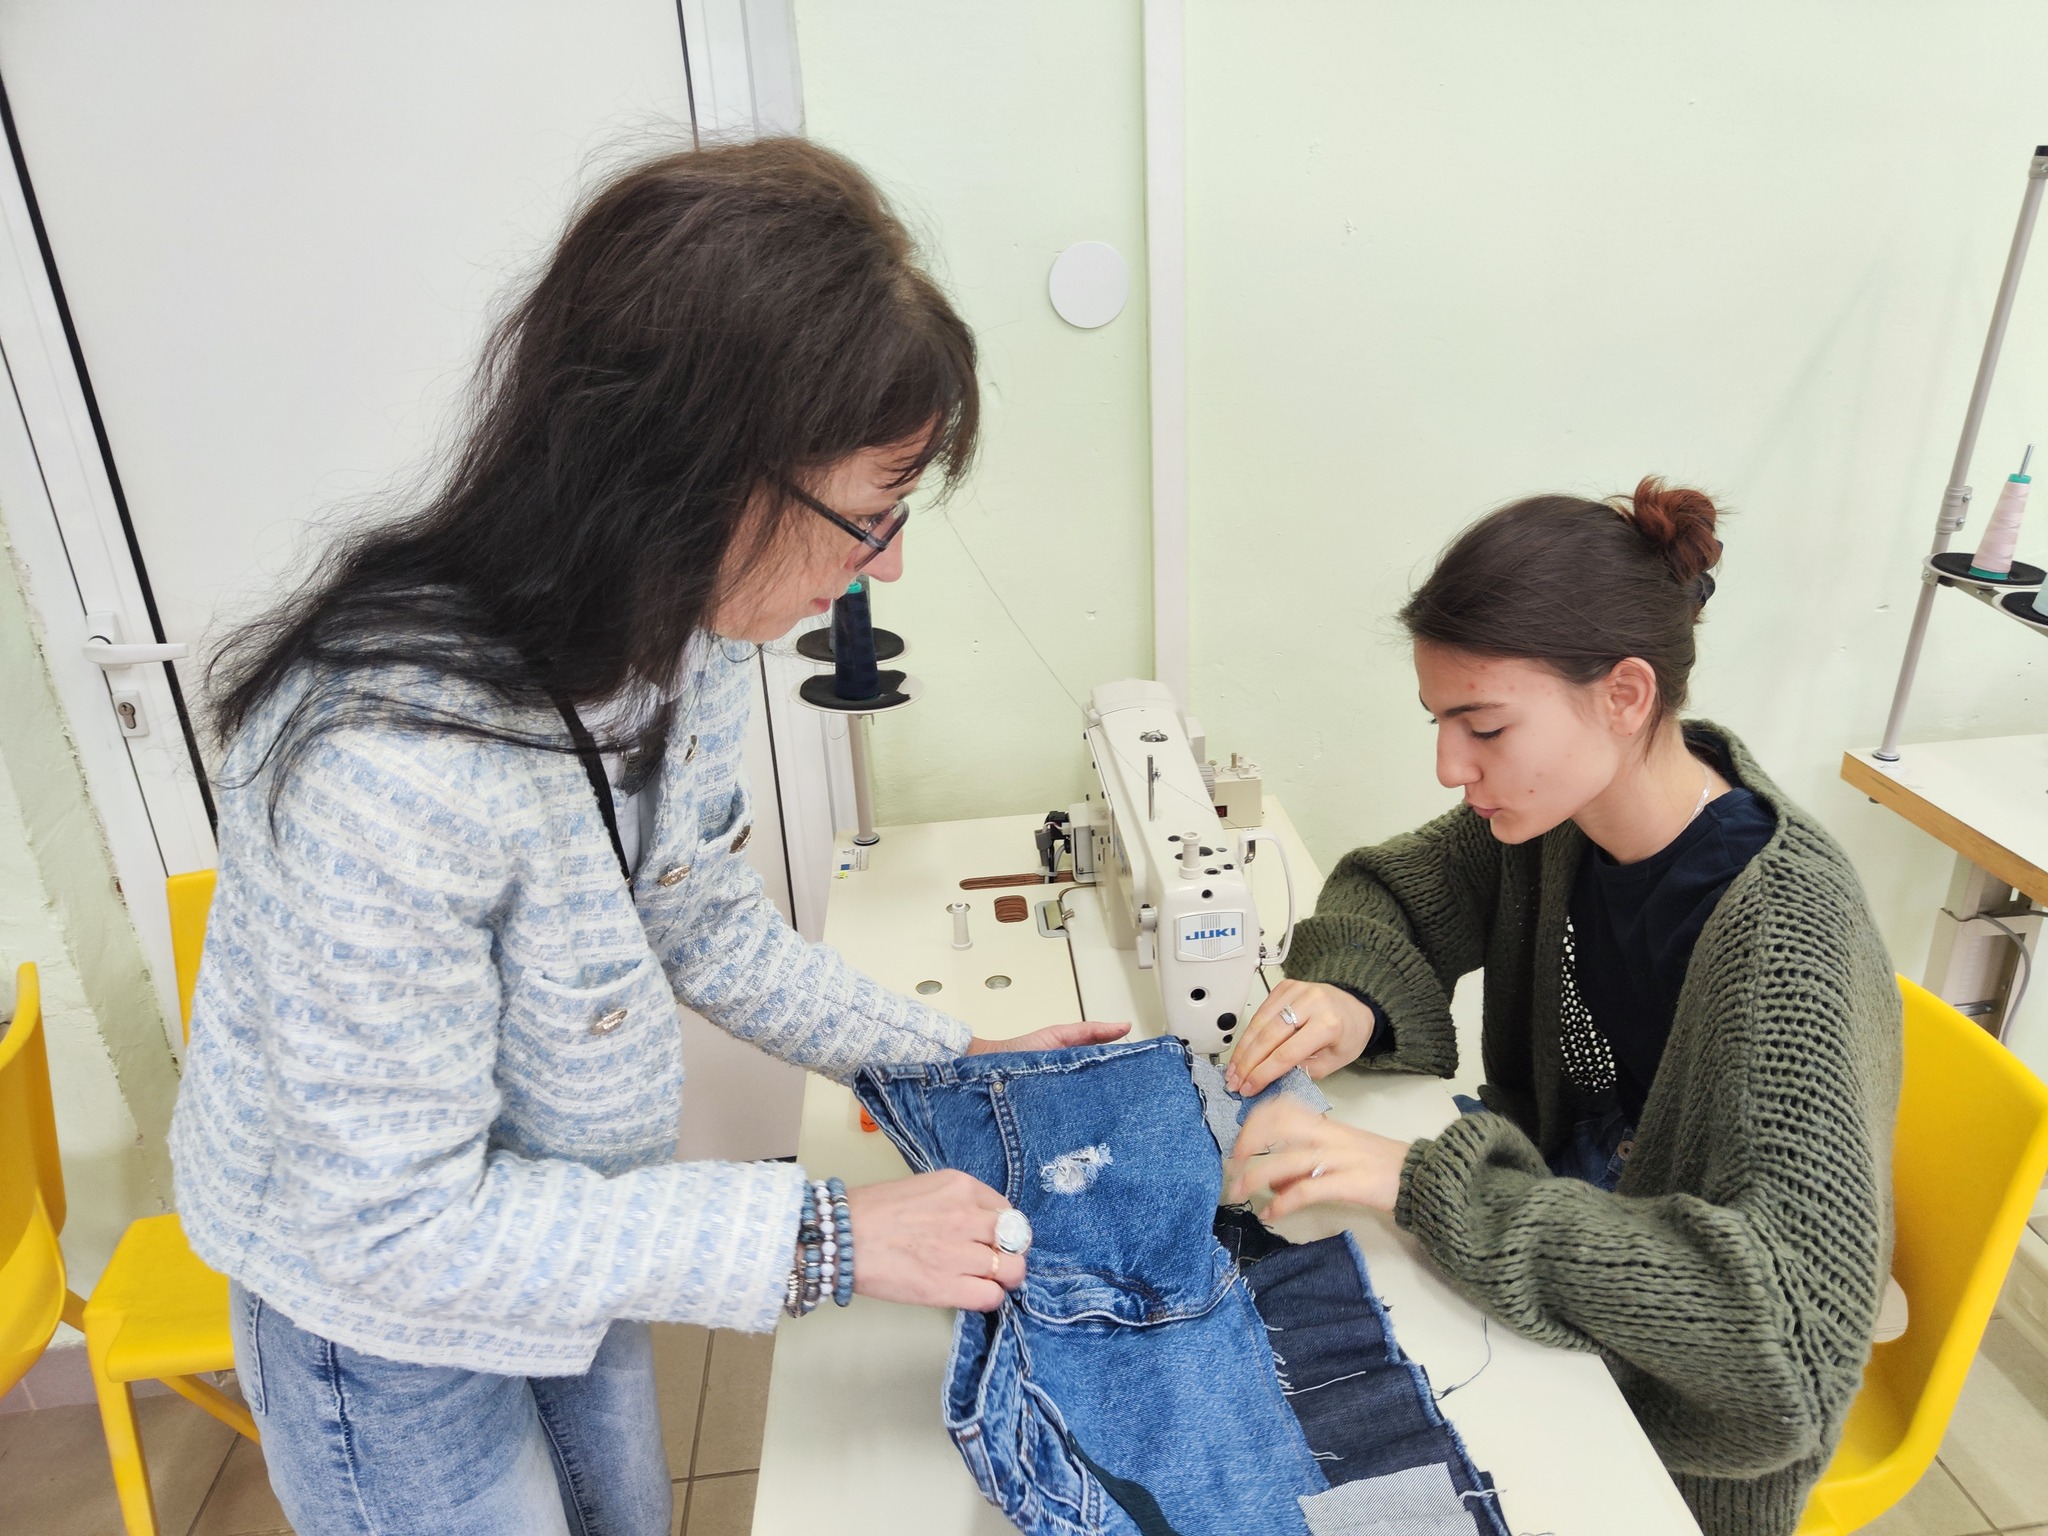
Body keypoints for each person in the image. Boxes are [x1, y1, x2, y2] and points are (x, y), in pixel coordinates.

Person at [169, 138, 1122, 1536]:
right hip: (380, 1319)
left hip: (565, 1222)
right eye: (868, 519)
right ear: (694, 470)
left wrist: (945, 1055)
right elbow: (399, 1232)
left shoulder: (679, 639)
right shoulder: (386, 768)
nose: (887, 564)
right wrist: (826, 1239)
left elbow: (699, 918)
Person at [1221, 481, 1901, 1536]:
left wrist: (1428, 1188)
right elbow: (1391, 890)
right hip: (1560, 1275)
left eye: (1484, 726)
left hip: (1666, 1444)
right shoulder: (1562, 821)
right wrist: (1352, 992)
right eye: (1441, 722)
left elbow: (1789, 1337)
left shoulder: (1786, 938)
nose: (1448, 767)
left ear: (1624, 695)